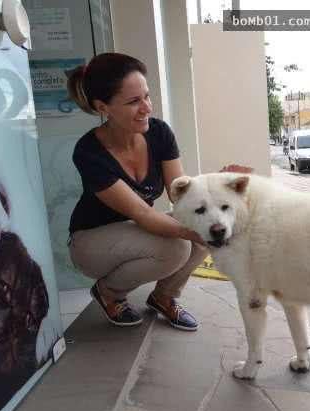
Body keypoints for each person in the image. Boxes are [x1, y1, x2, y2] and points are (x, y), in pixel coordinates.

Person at [66, 53, 212, 330]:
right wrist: (194, 231)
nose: (146, 108)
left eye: (147, 96)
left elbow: (180, 193)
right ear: (102, 107)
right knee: (177, 245)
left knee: (204, 225)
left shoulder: (159, 133)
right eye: (134, 101)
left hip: (135, 231)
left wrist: (217, 193)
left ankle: (163, 297)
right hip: (91, 242)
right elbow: (142, 213)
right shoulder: (88, 152)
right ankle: (108, 293)